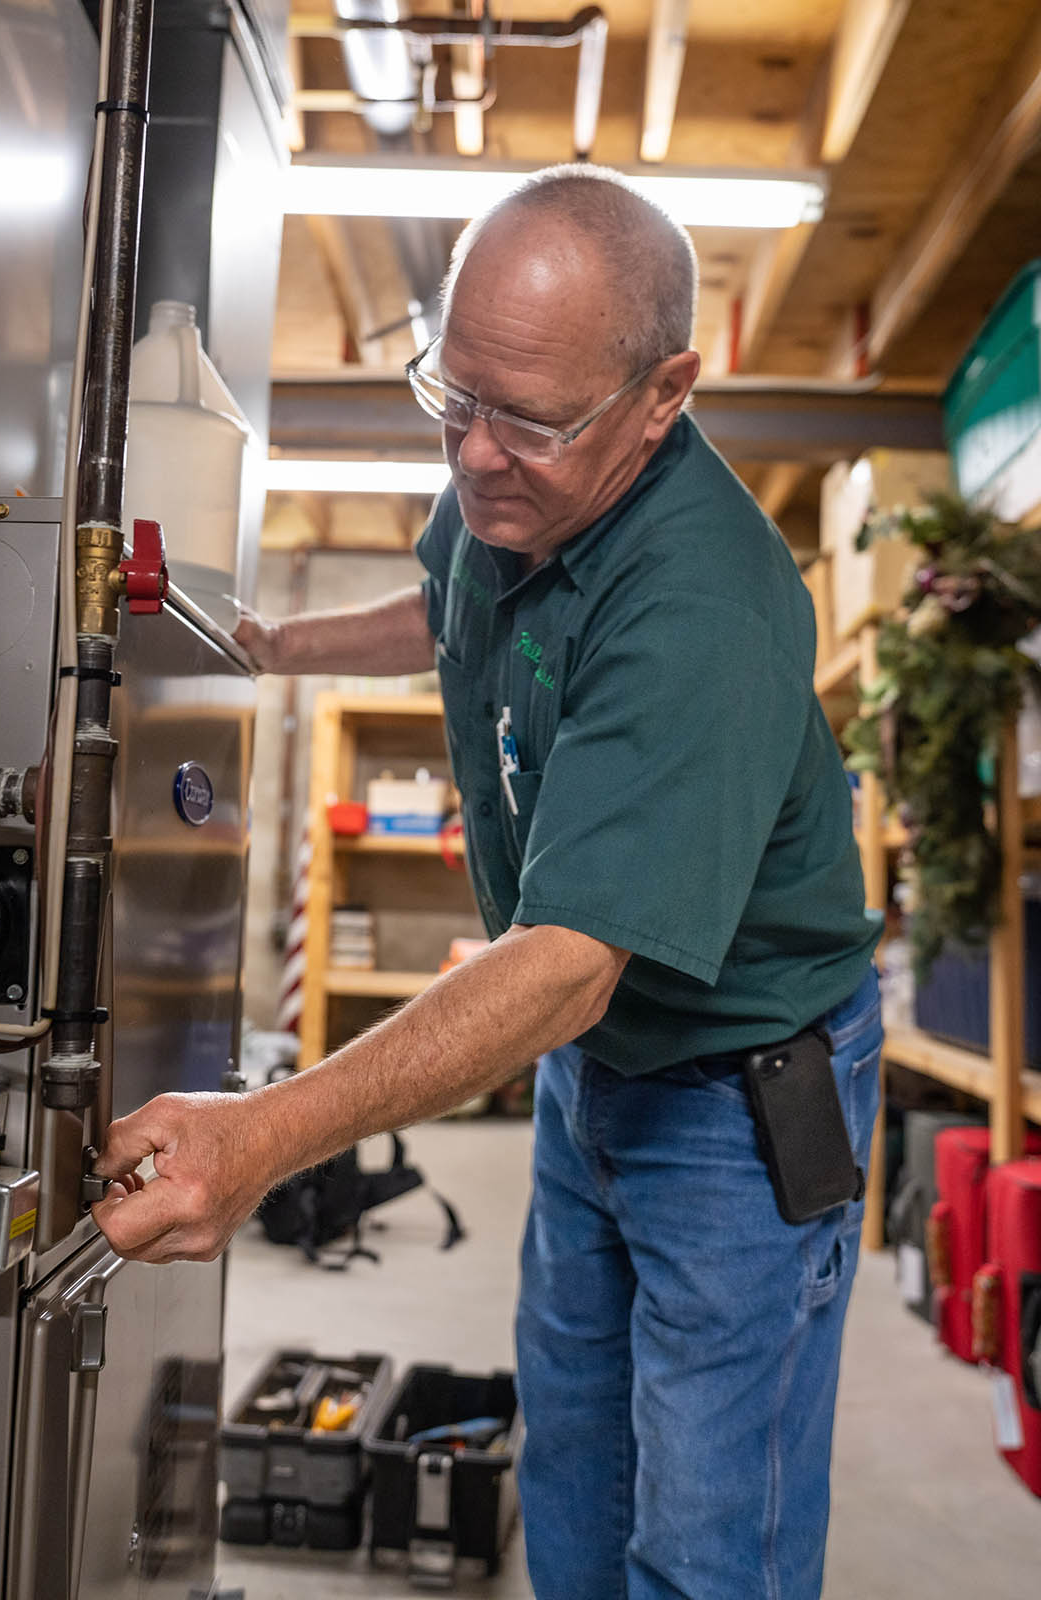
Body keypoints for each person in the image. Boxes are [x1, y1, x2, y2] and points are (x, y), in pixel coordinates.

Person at [93, 165, 883, 1600]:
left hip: (740, 1089)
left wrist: (264, 1135)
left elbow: (570, 961)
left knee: (708, 1529)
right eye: (450, 398)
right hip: (596, 1074)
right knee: (573, 1455)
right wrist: (278, 646)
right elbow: (451, 597)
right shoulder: (507, 481)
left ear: (662, 394)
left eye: (526, 419)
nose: (472, 455)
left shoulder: (704, 604)